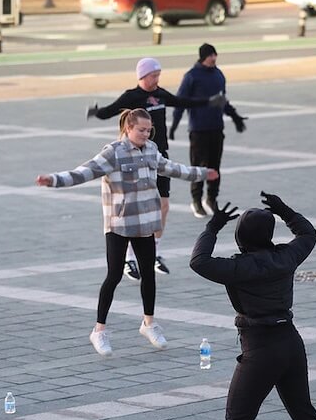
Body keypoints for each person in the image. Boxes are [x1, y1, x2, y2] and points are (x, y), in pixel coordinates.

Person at [36, 108, 218, 356]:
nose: (146, 134)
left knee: (148, 275)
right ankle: (99, 330)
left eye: (148, 130)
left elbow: (172, 168)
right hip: (119, 224)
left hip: (146, 223)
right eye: (141, 130)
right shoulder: (113, 152)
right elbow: (83, 172)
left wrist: (201, 173)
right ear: (128, 128)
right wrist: (53, 180)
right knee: (114, 276)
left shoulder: (152, 149)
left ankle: (149, 324)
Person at [190, 192, 316, 420]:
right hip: (291, 342)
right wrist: (284, 210)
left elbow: (199, 261)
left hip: (260, 349)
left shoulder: (238, 268)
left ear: (240, 237)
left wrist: (212, 227)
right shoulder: (286, 256)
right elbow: (308, 234)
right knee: (304, 412)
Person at [86, 57, 226, 280]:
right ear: (142, 76)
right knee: (136, 211)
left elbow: (183, 101)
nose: (157, 79)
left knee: (163, 206)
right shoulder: (132, 96)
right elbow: (111, 111)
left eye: (158, 75)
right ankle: (129, 258)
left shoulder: (160, 94)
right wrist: (95, 112)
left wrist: (210, 101)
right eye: (153, 75)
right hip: (135, 161)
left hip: (158, 158)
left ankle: (155, 252)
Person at [170, 43, 248, 219]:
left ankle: (211, 199)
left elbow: (222, 100)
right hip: (198, 130)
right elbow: (181, 101)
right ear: (203, 57)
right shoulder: (191, 76)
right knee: (198, 166)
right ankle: (196, 201)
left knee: (215, 166)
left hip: (216, 128)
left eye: (215, 55)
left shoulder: (219, 75)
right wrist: (174, 124)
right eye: (211, 55)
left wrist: (235, 116)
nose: (214, 58)